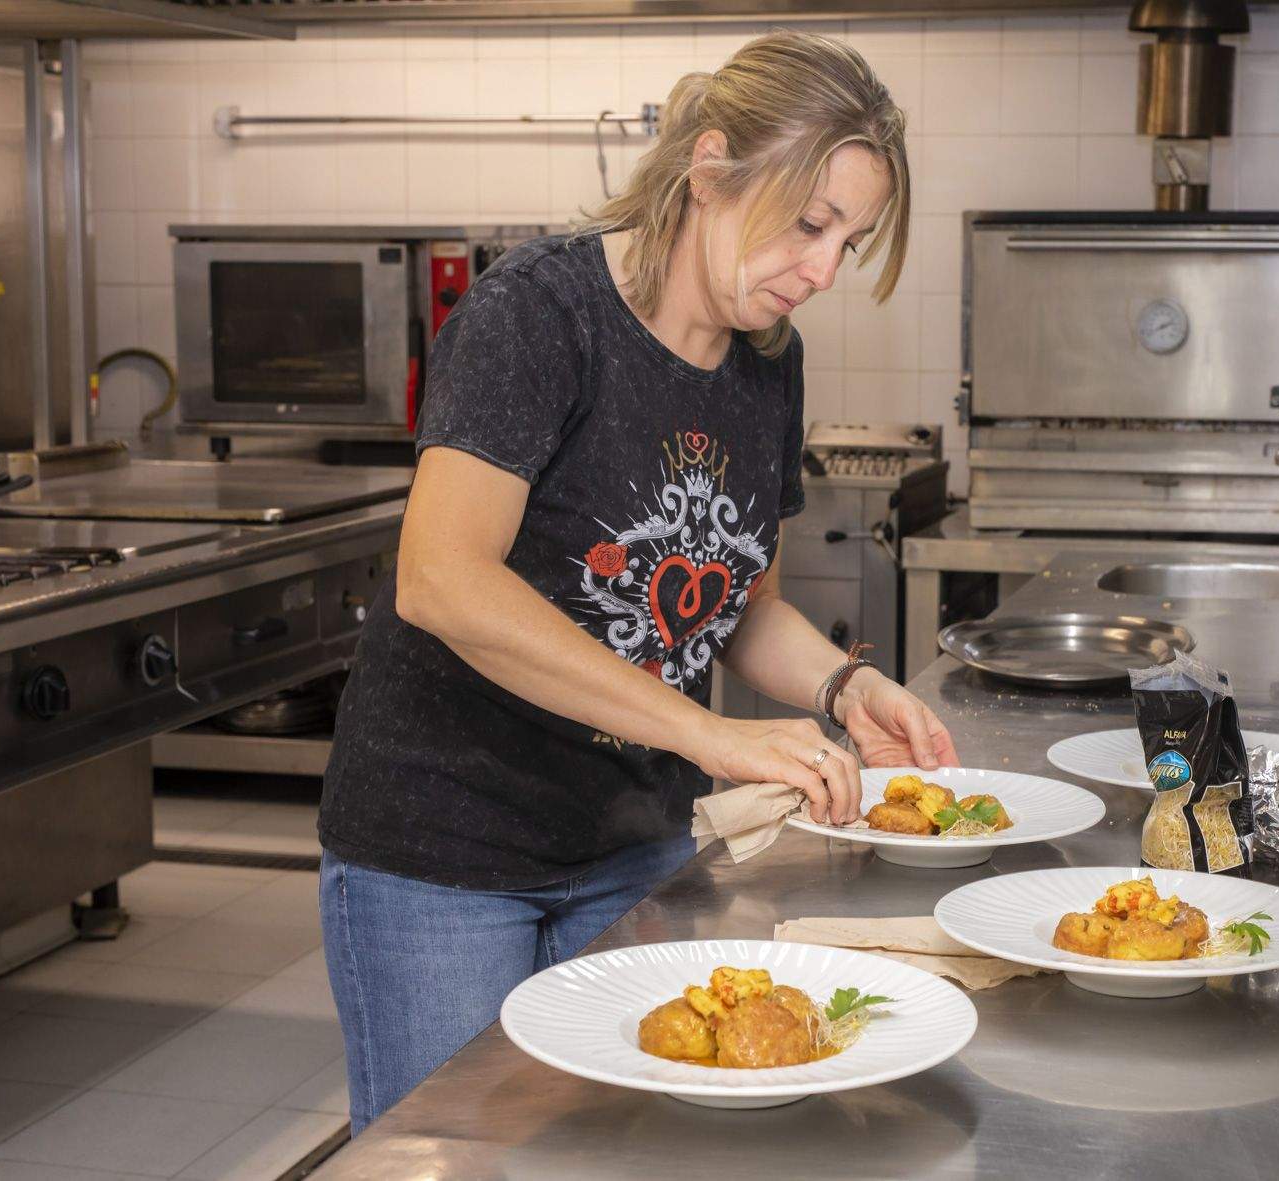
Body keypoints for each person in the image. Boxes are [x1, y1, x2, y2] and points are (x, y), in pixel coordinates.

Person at [315, 31, 956, 1133]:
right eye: (809, 225)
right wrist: (709, 736)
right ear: (709, 168)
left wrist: (846, 688)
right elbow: (440, 579)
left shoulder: (768, 359)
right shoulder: (539, 315)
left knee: (626, 1152)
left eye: (848, 239)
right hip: (443, 854)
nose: (824, 271)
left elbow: (738, 600)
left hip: (631, 844)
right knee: (462, 1153)